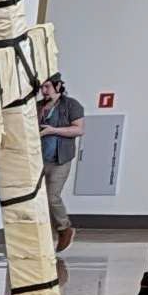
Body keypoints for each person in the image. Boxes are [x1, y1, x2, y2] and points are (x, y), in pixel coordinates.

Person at [36, 64, 85, 252]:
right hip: (38, 158)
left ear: (58, 86)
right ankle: (47, 234)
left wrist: (53, 130)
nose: (44, 90)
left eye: (47, 86)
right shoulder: (39, 106)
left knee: (52, 196)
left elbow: (79, 129)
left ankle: (65, 228)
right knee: (39, 200)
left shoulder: (71, 105)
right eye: (42, 87)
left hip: (59, 159)